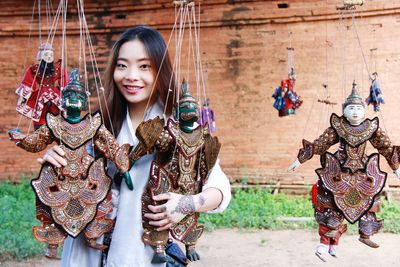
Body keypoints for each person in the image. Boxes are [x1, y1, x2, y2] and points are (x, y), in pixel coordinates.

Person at [38, 26, 231, 267]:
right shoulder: (98, 123)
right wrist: (55, 161)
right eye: (122, 65)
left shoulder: (177, 126)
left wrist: (184, 205)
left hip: (141, 253)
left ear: (161, 71)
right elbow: (73, 180)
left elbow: (220, 188)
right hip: (85, 252)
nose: (131, 75)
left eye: (144, 66)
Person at [288, 82, 400, 261]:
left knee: (369, 198)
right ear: (345, 110)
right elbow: (320, 144)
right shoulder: (338, 127)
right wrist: (299, 160)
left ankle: (365, 234)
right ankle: (332, 230)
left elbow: (385, 147)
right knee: (331, 200)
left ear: (364, 111)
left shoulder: (371, 128)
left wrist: (396, 168)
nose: (355, 112)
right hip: (340, 170)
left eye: (358, 108)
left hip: (363, 171)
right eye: (351, 108)